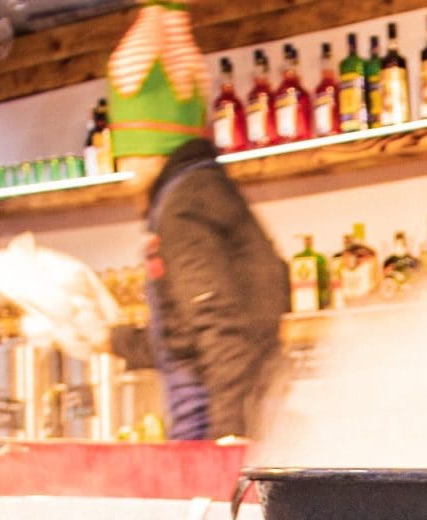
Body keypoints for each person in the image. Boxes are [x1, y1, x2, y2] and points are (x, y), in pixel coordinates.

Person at [106, 1, 290, 440]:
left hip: (212, 424)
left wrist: (226, 452)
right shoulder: (202, 190)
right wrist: (110, 341)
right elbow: (184, 334)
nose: (124, 174)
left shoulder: (185, 205)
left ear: (151, 151)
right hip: (236, 414)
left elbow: (222, 334)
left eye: (126, 156)